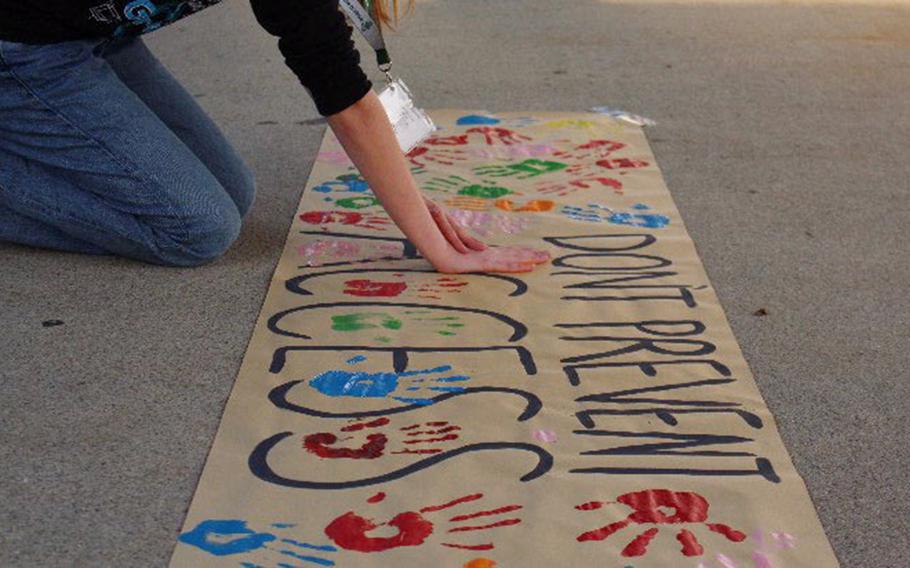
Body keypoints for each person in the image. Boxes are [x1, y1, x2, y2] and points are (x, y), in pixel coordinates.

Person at [0, 0, 550, 273]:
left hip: (91, 37)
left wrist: (407, 196)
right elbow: (347, 101)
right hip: (22, 46)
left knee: (233, 193)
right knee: (196, 227)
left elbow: (335, 73)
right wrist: (439, 252)